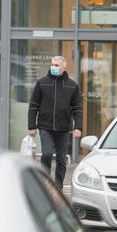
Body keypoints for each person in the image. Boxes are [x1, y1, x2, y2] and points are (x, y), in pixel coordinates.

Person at [28, 56, 83, 189]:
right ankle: (45, 182)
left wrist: (78, 127)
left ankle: (58, 186)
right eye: (52, 64)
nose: (53, 67)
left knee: (61, 158)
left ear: (64, 67)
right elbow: (33, 105)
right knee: (46, 153)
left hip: (63, 128)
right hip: (45, 126)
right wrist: (32, 126)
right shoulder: (42, 83)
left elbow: (77, 108)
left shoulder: (72, 85)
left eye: (57, 65)